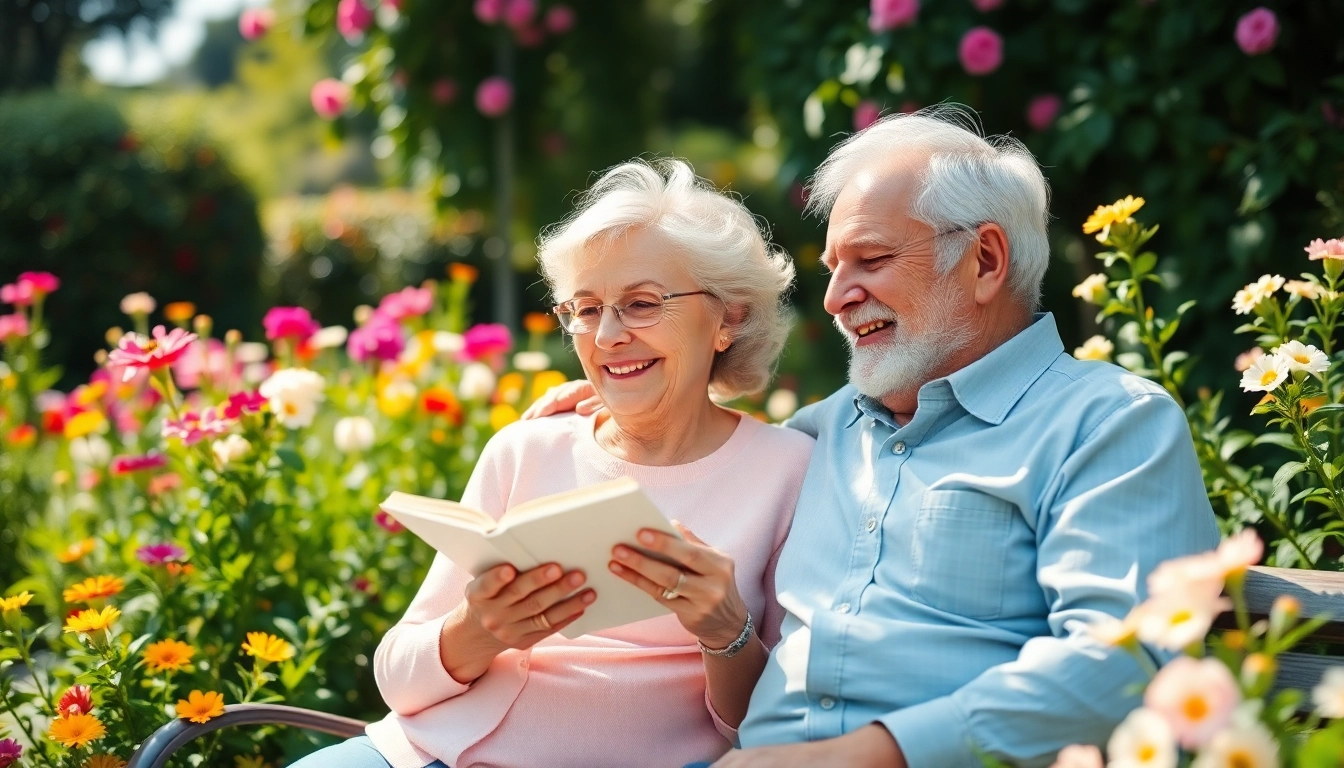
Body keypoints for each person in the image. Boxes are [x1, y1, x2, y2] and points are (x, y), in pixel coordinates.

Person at [524, 106, 1222, 767]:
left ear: (984, 261)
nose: (835, 297)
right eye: (834, 269)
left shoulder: (1109, 424)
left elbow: (1126, 661)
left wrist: (866, 755)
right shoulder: (816, 437)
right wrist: (630, 401)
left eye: (871, 259)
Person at [289, 158, 813, 768]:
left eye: (642, 303)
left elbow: (767, 729)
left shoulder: (789, 472)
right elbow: (398, 683)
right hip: (438, 753)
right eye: (586, 309)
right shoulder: (528, 448)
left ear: (729, 318)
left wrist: (727, 632)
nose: (607, 336)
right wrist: (474, 632)